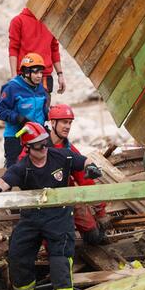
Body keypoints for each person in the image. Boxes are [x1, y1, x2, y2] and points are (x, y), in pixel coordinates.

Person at [0, 122, 102, 290]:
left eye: (44, 143)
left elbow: (82, 161)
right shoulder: (22, 167)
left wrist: (91, 167)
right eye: (37, 145)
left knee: (60, 258)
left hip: (59, 215)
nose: (43, 148)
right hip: (32, 217)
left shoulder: (60, 156)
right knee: (18, 253)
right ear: (27, 147)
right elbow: (3, 182)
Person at [30, 104, 108, 245]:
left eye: (70, 123)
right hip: (43, 201)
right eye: (64, 122)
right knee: (53, 242)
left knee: (94, 236)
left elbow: (85, 180)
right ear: (53, 123)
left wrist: (100, 210)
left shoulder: (69, 150)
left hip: (67, 197)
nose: (67, 126)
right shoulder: (36, 145)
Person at [9, 0, 65, 98]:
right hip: (24, 77)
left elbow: (54, 48)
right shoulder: (18, 21)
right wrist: (14, 77)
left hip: (45, 78)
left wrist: (60, 74)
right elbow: (13, 49)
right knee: (25, 114)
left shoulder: (51, 22)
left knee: (43, 114)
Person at [0, 53, 49, 168]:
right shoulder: (12, 87)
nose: (39, 76)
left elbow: (43, 110)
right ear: (25, 72)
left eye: (41, 72)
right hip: (16, 137)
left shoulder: (40, 88)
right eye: (35, 72)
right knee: (15, 170)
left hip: (37, 136)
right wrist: (17, 117)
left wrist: (49, 117)